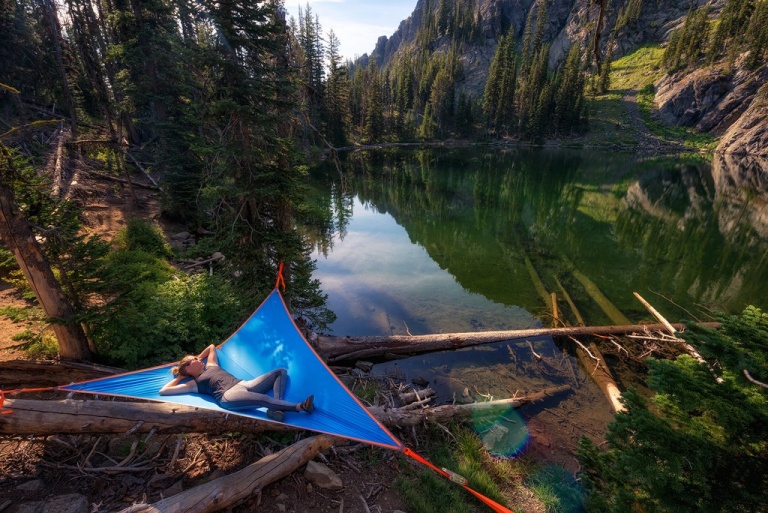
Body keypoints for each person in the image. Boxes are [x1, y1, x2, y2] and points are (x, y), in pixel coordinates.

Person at [160, 344, 314, 422]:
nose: (197, 359)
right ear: (188, 368)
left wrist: (199, 356)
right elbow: (164, 391)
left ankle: (278, 408)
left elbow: (212, 346)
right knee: (263, 400)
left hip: (244, 384)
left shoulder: (211, 365)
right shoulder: (193, 384)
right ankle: (300, 407)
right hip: (229, 395)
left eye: (196, 357)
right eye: (193, 359)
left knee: (280, 372)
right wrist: (180, 377)